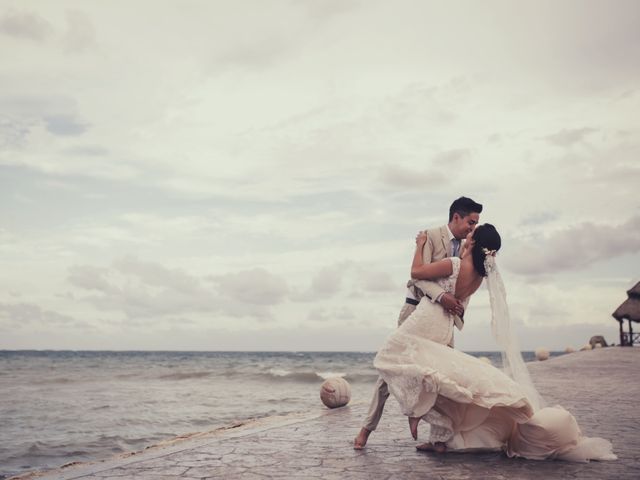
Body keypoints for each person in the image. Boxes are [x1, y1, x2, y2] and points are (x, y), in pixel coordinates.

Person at [373, 224, 616, 461]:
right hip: (445, 327)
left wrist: (420, 245)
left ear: (475, 243)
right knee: (441, 375)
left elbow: (416, 273)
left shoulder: (454, 264)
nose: (468, 235)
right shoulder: (479, 276)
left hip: (427, 320)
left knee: (390, 357)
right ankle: (437, 435)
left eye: (472, 234)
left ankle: (416, 411)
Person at [354, 197, 482, 449]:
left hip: (445, 320)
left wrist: (453, 304)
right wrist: (442, 296)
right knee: (390, 373)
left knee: (444, 377)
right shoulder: (431, 236)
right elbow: (418, 278)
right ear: (456, 216)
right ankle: (366, 429)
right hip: (416, 313)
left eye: (476, 223)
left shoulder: (470, 247)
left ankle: (438, 439)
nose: (473, 227)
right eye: (471, 221)